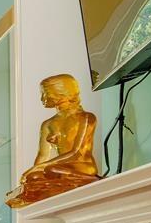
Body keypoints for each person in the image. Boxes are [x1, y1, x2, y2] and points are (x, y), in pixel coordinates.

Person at [6, 72, 99, 207]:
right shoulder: (47, 124)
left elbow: (77, 153)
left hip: (83, 165)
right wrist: (34, 171)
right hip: (58, 168)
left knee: (51, 169)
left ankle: (91, 180)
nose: (42, 98)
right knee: (33, 177)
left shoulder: (86, 117)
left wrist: (40, 167)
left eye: (45, 93)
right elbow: (42, 156)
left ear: (60, 92)